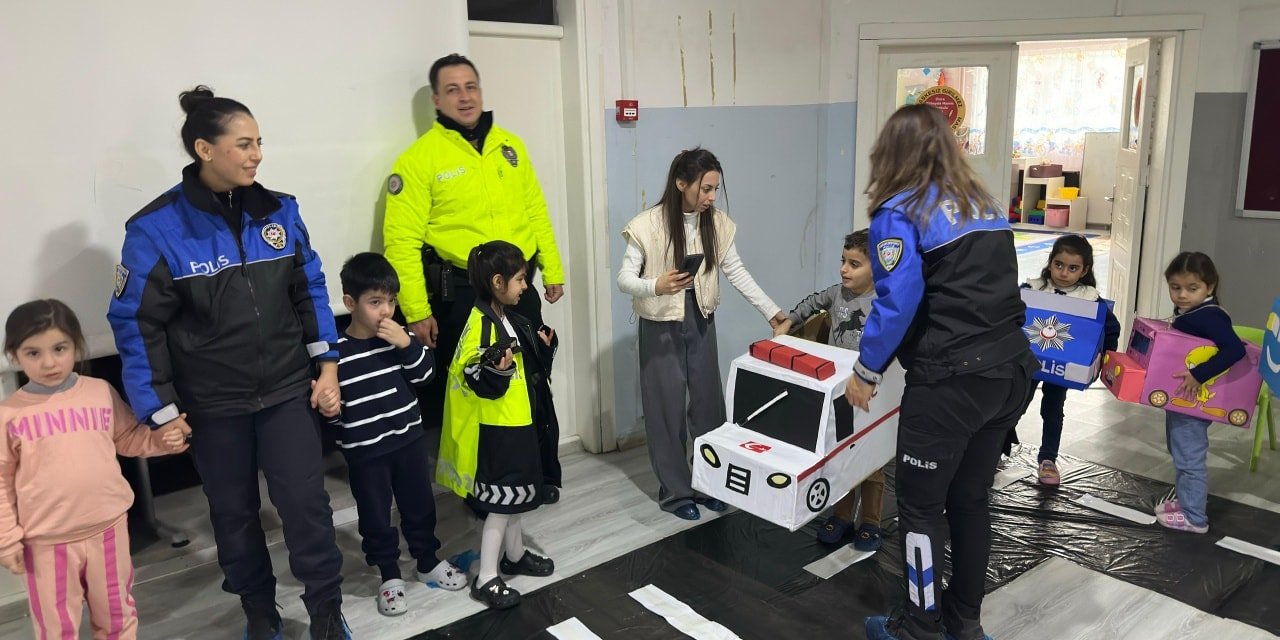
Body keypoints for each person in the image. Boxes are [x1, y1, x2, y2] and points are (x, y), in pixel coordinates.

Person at [107, 86, 350, 640]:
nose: (257, 155)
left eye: (259, 142)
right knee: (234, 516)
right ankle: (259, 613)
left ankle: (326, 612)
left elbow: (309, 288)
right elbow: (136, 324)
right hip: (213, 404)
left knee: (306, 507)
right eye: (243, 144)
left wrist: (327, 365)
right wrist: (158, 410)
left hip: (286, 390)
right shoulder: (155, 228)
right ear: (204, 149)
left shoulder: (281, 210)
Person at [846, 105, 1037, 640]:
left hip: (952, 381)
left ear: (890, 153)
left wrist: (866, 369)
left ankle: (918, 629)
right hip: (1010, 372)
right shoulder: (984, 204)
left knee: (921, 508)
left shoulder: (899, 212)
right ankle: (964, 624)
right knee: (970, 501)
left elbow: (898, 299)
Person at [383, 53, 567, 504]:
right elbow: (400, 242)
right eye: (452, 90)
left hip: (519, 286)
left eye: (470, 87)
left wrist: (554, 269)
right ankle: (485, 490)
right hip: (464, 292)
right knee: (479, 391)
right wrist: (417, 311)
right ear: (436, 99)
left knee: (532, 380)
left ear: (480, 91)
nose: (464, 97)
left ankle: (539, 474)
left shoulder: (510, 146)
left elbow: (536, 211)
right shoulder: (419, 159)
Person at [1, 299, 189, 639]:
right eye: (33, 353)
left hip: (108, 530)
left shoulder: (99, 392)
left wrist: (162, 440)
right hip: (47, 543)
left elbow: (128, 438)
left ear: (76, 345)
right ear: (14, 355)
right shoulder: (9, 415)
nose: (49, 362)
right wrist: (8, 541)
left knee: (118, 617)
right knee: (56, 628)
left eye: (59, 348)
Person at [617, 148, 787, 521]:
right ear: (681, 184)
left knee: (709, 407)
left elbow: (737, 270)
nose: (711, 197)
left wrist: (772, 312)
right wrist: (656, 286)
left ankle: (710, 483)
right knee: (666, 410)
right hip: (660, 324)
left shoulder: (717, 225)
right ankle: (676, 493)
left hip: (701, 318)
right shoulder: (647, 225)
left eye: (715, 189)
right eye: (705, 188)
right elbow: (624, 279)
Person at [328, 253, 468, 616]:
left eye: (391, 301)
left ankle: (427, 561)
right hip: (365, 452)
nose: (386, 310)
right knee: (375, 514)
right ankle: (389, 574)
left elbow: (426, 376)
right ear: (350, 303)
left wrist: (407, 345)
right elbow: (332, 412)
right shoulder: (336, 353)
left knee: (419, 504)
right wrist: (333, 416)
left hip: (407, 441)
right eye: (375, 302)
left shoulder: (401, 337)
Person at [436, 240, 557, 610]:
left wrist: (543, 347)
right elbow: (474, 374)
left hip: (515, 422)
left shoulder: (506, 317)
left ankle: (514, 555)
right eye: (520, 279)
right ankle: (486, 576)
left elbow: (523, 364)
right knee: (500, 504)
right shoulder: (482, 325)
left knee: (513, 496)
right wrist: (496, 371)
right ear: (498, 282)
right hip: (497, 429)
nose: (525, 286)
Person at [774, 230, 886, 551]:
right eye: (843, 261)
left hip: (871, 394)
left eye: (854, 264)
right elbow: (811, 303)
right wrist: (788, 321)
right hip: (838, 391)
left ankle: (871, 521)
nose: (844, 269)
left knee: (871, 461)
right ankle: (841, 515)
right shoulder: (837, 293)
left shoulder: (885, 304)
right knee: (839, 456)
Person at [1154, 251, 1244, 534]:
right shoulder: (1193, 311)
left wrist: (1199, 374)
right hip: (1184, 397)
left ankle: (1194, 517)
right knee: (1179, 449)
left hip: (1195, 399)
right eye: (1175, 287)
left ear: (1210, 287)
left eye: (1192, 288)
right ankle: (1186, 502)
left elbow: (1234, 350)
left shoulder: (1210, 316)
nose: (1182, 295)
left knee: (1189, 457)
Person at [1020, 234, 1120, 485]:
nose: (1064, 273)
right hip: (1026, 362)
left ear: (1084, 270)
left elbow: (1110, 328)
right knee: (1014, 405)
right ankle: (996, 447)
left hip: (1060, 369)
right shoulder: (1031, 289)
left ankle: (1048, 458)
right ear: (1050, 262)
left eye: (1073, 268)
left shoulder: (1089, 298)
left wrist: (1103, 357)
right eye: (1059, 265)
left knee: (1053, 410)